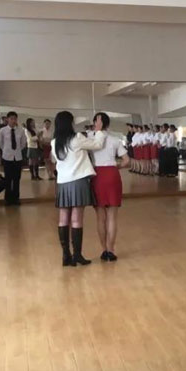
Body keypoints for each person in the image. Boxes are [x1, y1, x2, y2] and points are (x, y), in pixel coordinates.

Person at [52, 110, 106, 266]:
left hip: (62, 182)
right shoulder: (77, 138)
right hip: (78, 181)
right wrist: (98, 130)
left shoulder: (54, 142)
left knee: (63, 218)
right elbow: (97, 145)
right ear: (70, 123)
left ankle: (65, 255)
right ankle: (77, 255)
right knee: (76, 219)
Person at [90, 112, 130, 262]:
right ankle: (111, 250)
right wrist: (117, 167)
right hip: (112, 174)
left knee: (100, 217)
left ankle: (103, 250)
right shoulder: (115, 140)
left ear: (95, 123)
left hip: (97, 175)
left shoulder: (91, 140)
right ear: (108, 124)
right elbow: (127, 160)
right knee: (112, 216)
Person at [0, 111, 26, 205]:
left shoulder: (21, 130)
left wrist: (16, 150)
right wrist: (7, 150)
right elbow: (0, 143)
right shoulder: (3, 130)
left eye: (15, 119)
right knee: (8, 179)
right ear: (7, 119)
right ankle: (8, 199)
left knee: (17, 179)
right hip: (7, 157)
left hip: (17, 157)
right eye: (11, 119)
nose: (13, 121)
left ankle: (16, 198)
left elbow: (23, 143)